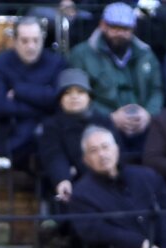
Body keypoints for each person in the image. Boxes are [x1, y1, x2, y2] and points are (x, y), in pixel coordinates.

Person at [65, 126, 166, 248]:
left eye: (105, 147)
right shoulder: (81, 194)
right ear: (85, 159)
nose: (102, 154)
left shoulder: (146, 176)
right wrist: (142, 245)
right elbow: (99, 231)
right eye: (94, 150)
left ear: (116, 149)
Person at [67, 2, 164, 157]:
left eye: (125, 29)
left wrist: (148, 114)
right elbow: (78, 96)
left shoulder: (146, 54)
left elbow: (157, 90)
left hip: (143, 124)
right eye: (114, 28)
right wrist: (109, 117)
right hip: (100, 125)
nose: (120, 33)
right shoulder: (81, 54)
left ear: (133, 29)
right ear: (103, 25)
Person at [0, 16, 65, 168]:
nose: (31, 46)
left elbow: (59, 101)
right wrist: (42, 105)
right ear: (14, 41)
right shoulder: (1, 64)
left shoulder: (56, 63)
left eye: (35, 40)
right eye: (25, 41)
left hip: (48, 132)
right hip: (12, 132)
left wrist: (19, 90)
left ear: (43, 39)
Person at [37, 69, 113, 204]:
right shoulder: (51, 126)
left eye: (80, 91)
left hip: (108, 182)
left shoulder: (104, 121)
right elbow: (54, 155)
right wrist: (62, 179)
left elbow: (116, 152)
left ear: (89, 97)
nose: (74, 97)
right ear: (60, 99)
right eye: (67, 93)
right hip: (76, 187)